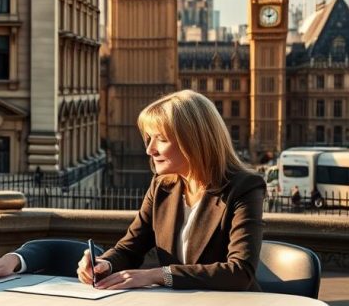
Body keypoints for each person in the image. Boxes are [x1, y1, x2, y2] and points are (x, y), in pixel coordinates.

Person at [75, 89, 265, 291]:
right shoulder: (162, 186)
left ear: (194, 141)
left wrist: (159, 274)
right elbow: (130, 248)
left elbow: (239, 272)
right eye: (149, 138)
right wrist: (104, 264)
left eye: (161, 139)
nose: (150, 149)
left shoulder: (244, 187)